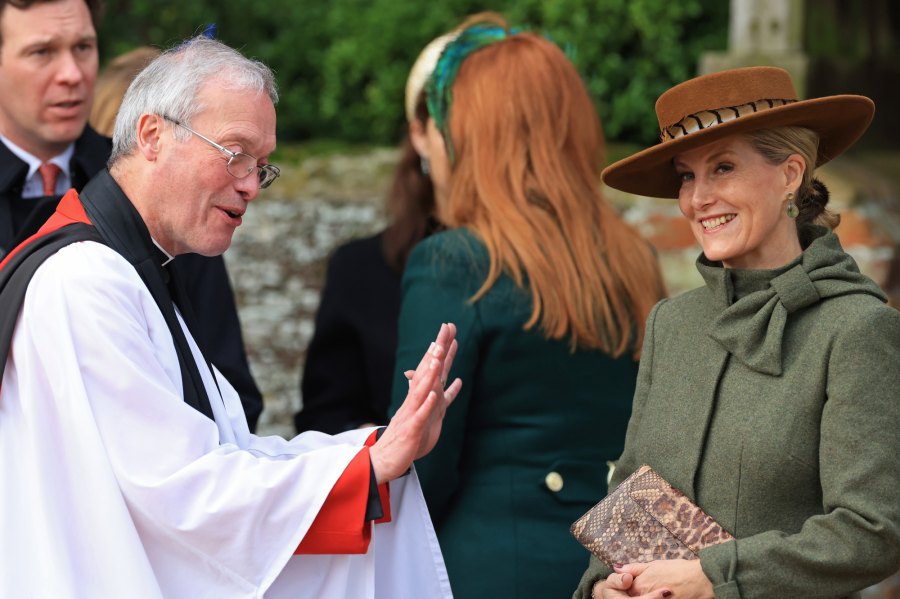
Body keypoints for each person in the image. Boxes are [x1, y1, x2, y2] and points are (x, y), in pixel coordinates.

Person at [0, 37, 463, 598]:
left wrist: (374, 448)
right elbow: (183, 495)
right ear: (152, 136)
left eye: (262, 167)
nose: (250, 184)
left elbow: (227, 453)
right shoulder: (86, 281)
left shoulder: (140, 270)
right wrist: (365, 471)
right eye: (236, 152)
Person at [574, 66, 900, 599]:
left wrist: (714, 576)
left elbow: (872, 532)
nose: (698, 198)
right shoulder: (670, 324)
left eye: (722, 167)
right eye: (686, 176)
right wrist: (602, 587)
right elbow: (627, 497)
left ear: (791, 174)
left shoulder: (858, 330)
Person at [387, 13, 666, 599]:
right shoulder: (633, 257)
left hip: (490, 569)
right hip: (619, 571)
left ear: (473, 134)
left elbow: (418, 465)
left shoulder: (455, 260)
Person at [0, 0, 264, 430]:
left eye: (83, 47)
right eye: (42, 52)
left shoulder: (154, 182)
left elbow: (221, 380)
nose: (71, 73)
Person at [294, 30, 456, 435]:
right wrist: (383, 448)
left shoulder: (575, 263)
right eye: (460, 122)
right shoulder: (361, 268)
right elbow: (324, 422)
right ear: (420, 133)